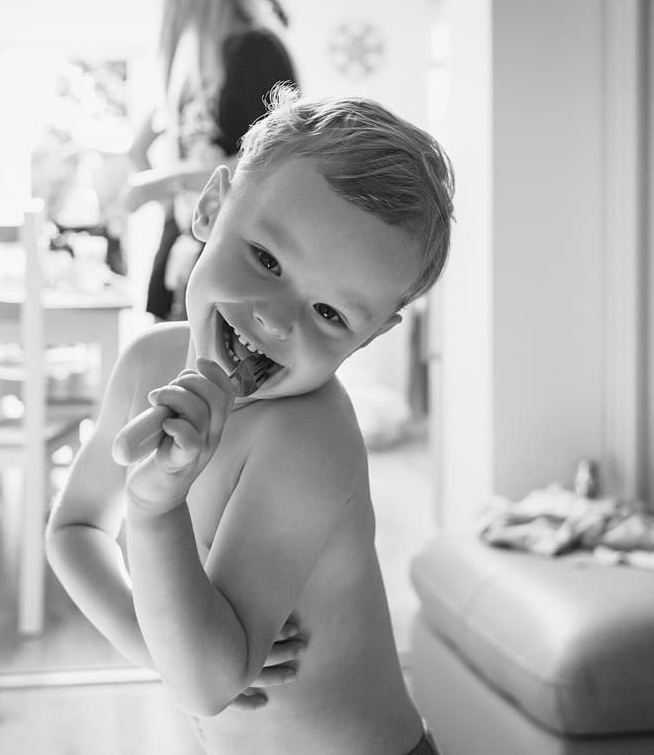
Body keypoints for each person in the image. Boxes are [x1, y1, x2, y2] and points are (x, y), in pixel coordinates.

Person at [47, 86, 453, 754]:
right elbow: (73, 529)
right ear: (211, 207)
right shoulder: (147, 363)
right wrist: (163, 652)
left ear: (372, 335)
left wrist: (154, 508)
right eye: (266, 259)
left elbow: (207, 684)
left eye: (330, 314)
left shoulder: (310, 438)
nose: (274, 318)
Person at [126, 0, 297, 321]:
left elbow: (273, 162)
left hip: (232, 258)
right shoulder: (195, 64)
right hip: (184, 247)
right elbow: (148, 150)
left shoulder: (257, 50)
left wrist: (165, 182)